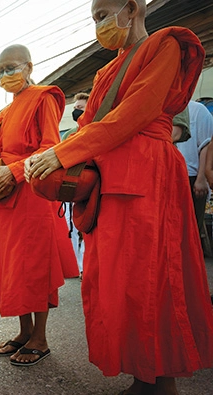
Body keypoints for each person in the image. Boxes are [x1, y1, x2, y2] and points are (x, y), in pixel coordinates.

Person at [26, 0, 213, 393]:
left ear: (131, 9)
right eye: (94, 18)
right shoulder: (105, 70)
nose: (99, 25)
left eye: (101, 15)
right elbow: (92, 125)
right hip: (109, 179)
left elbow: (136, 113)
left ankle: (163, 384)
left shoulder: (165, 45)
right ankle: (140, 375)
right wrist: (38, 160)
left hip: (149, 175)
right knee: (118, 282)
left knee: (154, 278)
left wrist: (62, 152)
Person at [0, 44, 78, 366]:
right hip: (6, 199)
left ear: (28, 66)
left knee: (35, 269)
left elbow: (50, 147)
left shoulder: (45, 97)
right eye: (0, 71)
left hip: (32, 193)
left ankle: (40, 337)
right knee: (11, 269)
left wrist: (13, 171)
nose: (5, 75)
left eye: (10, 68)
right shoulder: (7, 112)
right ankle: (23, 332)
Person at [176, 101, 213, 251]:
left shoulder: (199, 110)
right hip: (171, 175)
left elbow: (206, 146)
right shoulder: (165, 107)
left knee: (190, 231)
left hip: (192, 176)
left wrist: (201, 178)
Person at [62, 92, 89, 278]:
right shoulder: (69, 134)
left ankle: (85, 266)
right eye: (74, 109)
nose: (76, 111)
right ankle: (73, 265)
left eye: (80, 108)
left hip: (89, 186)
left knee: (87, 228)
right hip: (71, 186)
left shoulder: (95, 130)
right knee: (70, 227)